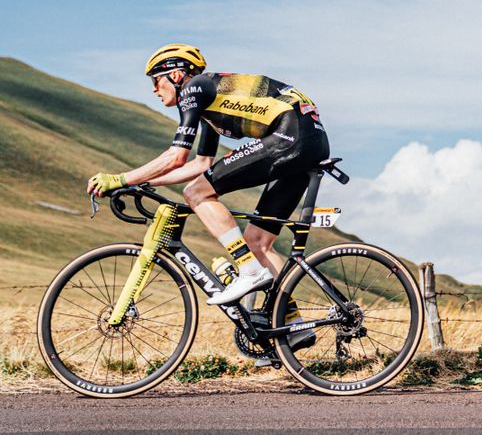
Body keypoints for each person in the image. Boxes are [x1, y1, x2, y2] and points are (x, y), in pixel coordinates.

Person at [86, 44, 330, 334]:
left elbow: (177, 156)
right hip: (307, 143)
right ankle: (294, 325)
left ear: (177, 75)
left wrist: (121, 179)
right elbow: (200, 164)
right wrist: (144, 182)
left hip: (290, 136)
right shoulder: (210, 100)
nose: (153, 89)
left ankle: (249, 270)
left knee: (196, 193)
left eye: (156, 80)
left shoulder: (194, 89)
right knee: (258, 242)